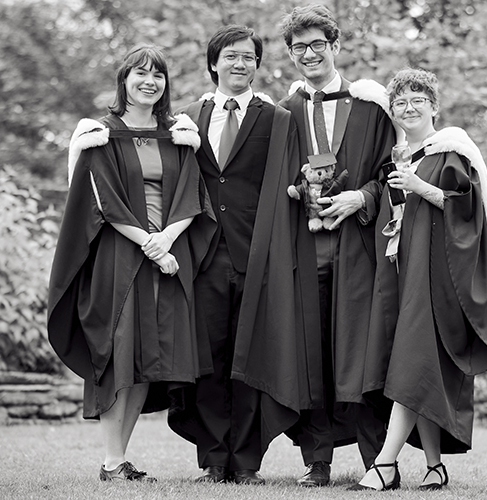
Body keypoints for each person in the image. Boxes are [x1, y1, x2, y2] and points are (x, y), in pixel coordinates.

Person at [47, 44, 211, 482]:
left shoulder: (178, 135)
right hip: (121, 258)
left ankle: (118, 461)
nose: (149, 81)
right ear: (124, 81)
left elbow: (193, 195)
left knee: (146, 359)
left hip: (168, 254)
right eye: (140, 73)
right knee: (118, 354)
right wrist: (149, 244)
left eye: (157, 75)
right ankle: (109, 459)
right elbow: (103, 200)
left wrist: (167, 240)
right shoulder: (101, 135)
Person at [350, 68, 487, 491]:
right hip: (403, 275)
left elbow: (467, 212)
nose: (409, 107)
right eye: (400, 102)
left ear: (434, 106)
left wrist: (420, 186)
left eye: (418, 99)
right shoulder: (399, 158)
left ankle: (383, 464)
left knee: (411, 364)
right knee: (422, 369)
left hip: (438, 280)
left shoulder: (451, 151)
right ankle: (434, 466)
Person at [166, 25, 307, 486]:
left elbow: (290, 179)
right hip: (201, 253)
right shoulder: (186, 117)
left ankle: (246, 461)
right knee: (207, 357)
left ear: (257, 65)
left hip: (256, 252)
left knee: (249, 358)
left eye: (248, 57)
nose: (240, 64)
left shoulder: (277, 118)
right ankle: (213, 458)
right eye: (231, 56)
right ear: (214, 63)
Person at [278, 4, 397, 487]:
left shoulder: (373, 107)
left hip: (358, 250)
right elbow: (274, 183)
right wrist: (294, 190)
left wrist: (362, 196)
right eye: (299, 47)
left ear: (336, 46)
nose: (309, 54)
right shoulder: (283, 113)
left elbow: (393, 172)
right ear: (290, 54)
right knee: (311, 358)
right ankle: (317, 461)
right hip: (304, 253)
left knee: (363, 353)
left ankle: (376, 461)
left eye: (317, 45)